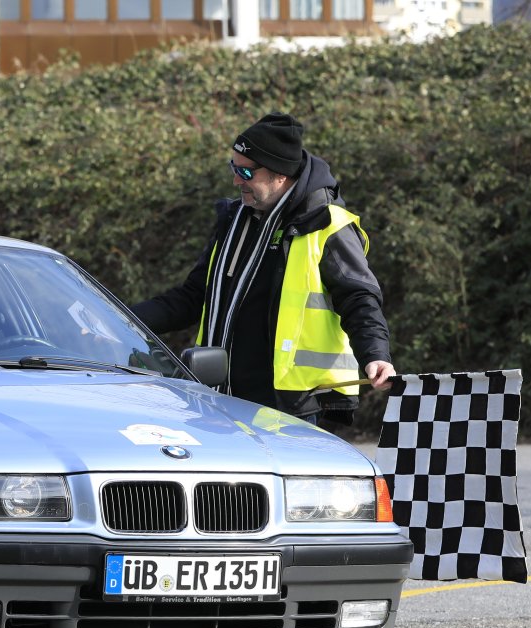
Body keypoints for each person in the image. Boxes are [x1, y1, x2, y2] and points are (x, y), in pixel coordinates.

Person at [130, 112, 395, 428]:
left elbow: (359, 298)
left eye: (245, 171)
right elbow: (192, 298)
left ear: (280, 175)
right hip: (223, 401)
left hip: (299, 408)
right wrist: (117, 320)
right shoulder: (235, 221)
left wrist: (376, 355)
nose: (236, 180)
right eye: (233, 168)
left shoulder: (326, 224)